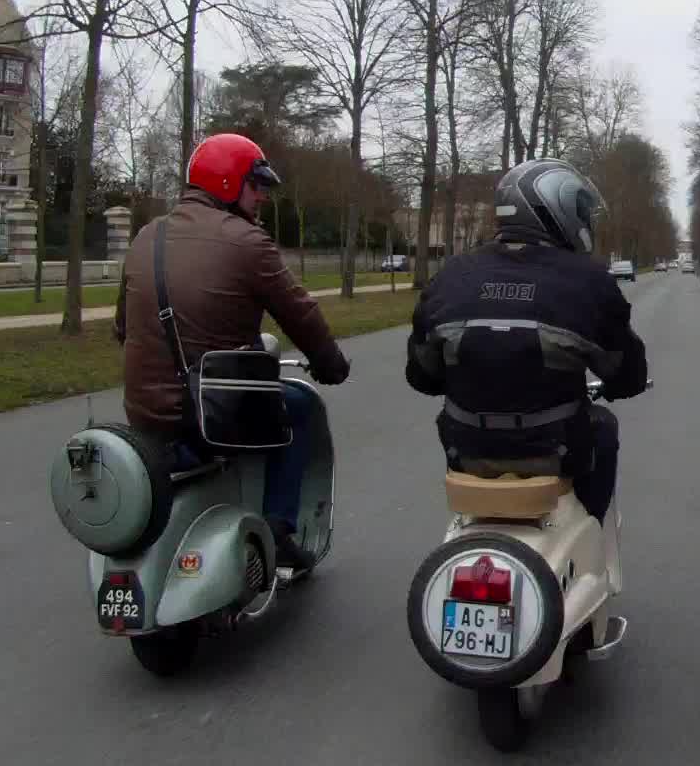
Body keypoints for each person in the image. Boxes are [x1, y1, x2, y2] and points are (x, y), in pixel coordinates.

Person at [114, 132, 351, 566]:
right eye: (255, 185)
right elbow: (299, 313)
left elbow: (122, 327)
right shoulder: (248, 242)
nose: (262, 196)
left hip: (146, 422)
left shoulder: (148, 236)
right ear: (226, 183)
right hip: (207, 423)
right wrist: (330, 363)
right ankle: (278, 530)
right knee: (298, 406)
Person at [404, 159, 648, 524]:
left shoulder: (451, 275)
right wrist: (615, 385)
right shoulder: (589, 280)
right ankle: (591, 528)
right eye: (581, 210)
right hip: (557, 451)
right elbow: (628, 376)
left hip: (466, 451)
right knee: (604, 426)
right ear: (557, 209)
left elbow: (421, 377)